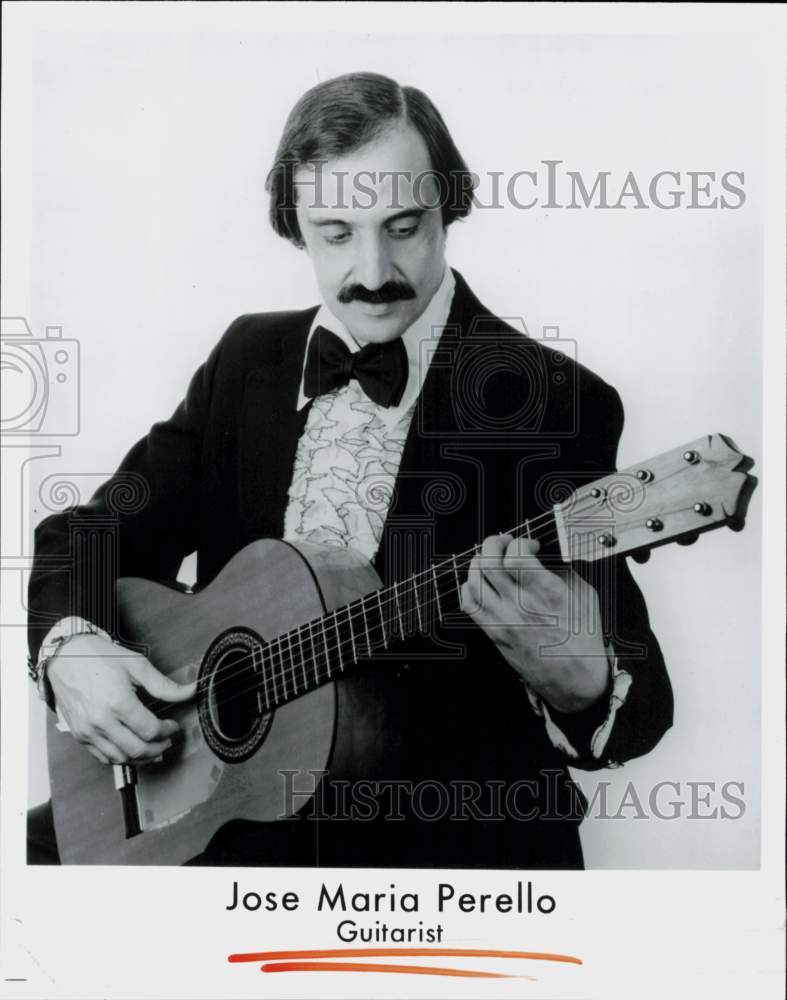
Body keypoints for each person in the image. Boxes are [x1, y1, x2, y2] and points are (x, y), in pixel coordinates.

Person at [27, 71, 673, 868]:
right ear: (293, 225)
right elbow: (87, 534)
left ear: (449, 209)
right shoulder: (248, 359)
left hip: (439, 848)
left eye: (403, 227)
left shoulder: (549, 398)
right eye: (337, 232)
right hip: (222, 823)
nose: (372, 270)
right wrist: (71, 650)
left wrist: (583, 685)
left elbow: (639, 692)